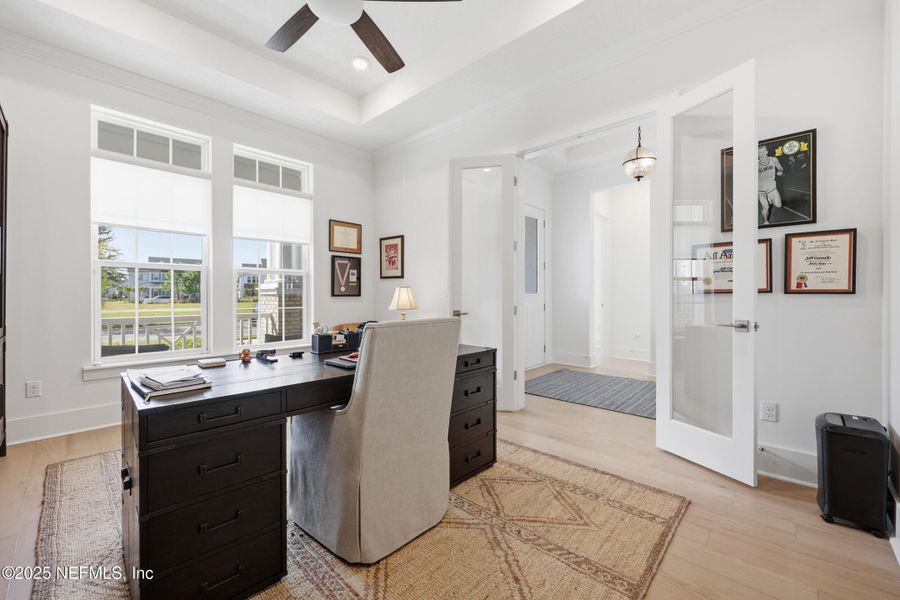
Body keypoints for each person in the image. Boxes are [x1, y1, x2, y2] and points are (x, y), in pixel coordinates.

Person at [758, 145, 784, 224]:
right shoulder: (755, 164)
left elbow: (780, 168)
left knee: (779, 205)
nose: (761, 154)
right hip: (761, 190)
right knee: (765, 207)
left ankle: (770, 199)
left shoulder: (773, 160)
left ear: (766, 152)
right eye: (759, 152)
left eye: (762, 152)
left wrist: (780, 171)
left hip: (772, 187)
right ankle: (766, 222)